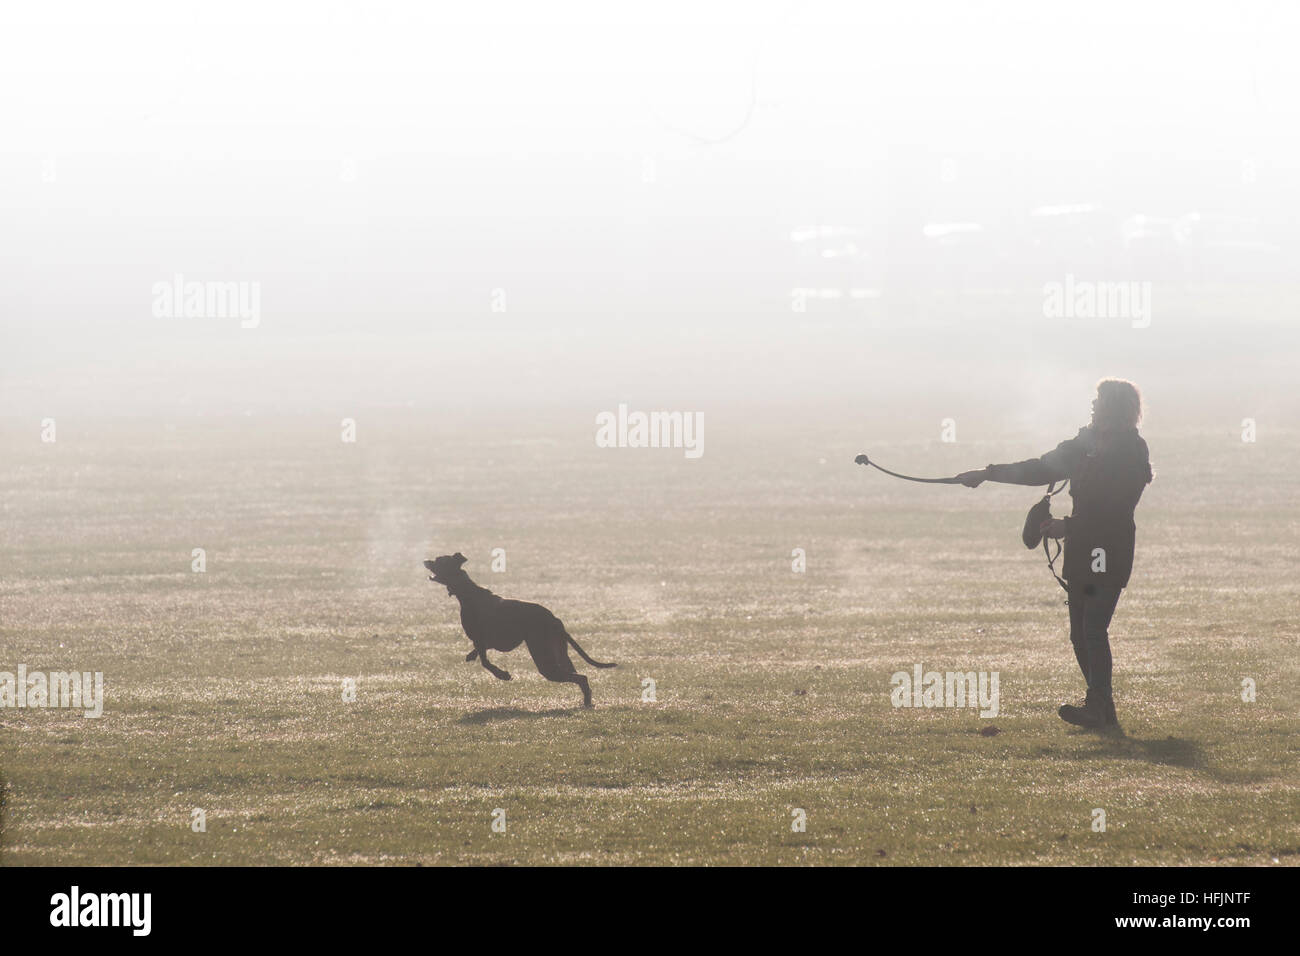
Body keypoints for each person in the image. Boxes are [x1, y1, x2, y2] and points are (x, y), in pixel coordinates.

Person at [956, 379, 1154, 729]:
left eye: (1100, 400)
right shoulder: (1087, 444)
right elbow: (1041, 469)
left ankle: (1098, 706)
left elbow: (1115, 508)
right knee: (1079, 633)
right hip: (1082, 549)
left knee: (1093, 627)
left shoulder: (1130, 451)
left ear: (1115, 407)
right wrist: (987, 474)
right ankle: (1102, 711)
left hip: (1108, 547)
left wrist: (1069, 527)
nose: (1093, 406)